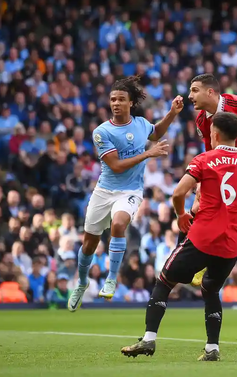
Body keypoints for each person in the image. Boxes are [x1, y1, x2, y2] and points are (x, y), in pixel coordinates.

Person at [121, 112, 237, 361]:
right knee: (210, 290)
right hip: (231, 244)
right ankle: (212, 348)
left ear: (215, 134)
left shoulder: (204, 159)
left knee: (164, 282)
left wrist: (181, 214)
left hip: (202, 237)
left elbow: (179, 192)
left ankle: (148, 340)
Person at [68, 76, 183, 310]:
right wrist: (147, 154)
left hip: (130, 191)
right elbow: (117, 166)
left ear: (131, 103)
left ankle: (111, 278)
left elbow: (155, 133)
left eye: (121, 99)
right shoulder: (102, 132)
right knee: (89, 244)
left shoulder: (140, 123)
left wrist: (172, 113)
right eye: (113, 99)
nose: (116, 103)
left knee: (119, 225)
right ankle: (81, 282)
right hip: (104, 191)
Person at [184, 73, 237, 285]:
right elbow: (212, 153)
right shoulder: (201, 121)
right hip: (233, 169)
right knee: (203, 209)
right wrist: (201, 185)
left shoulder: (235, 103)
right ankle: (200, 261)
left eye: (194, 90)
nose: (190, 96)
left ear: (210, 92)